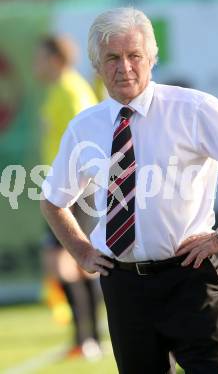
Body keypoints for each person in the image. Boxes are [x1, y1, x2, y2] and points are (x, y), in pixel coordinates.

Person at [40, 8, 218, 374]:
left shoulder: (192, 108)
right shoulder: (84, 127)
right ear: (96, 65)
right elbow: (53, 201)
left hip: (190, 277)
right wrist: (82, 251)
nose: (125, 67)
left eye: (134, 55)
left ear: (151, 58)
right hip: (122, 286)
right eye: (112, 58)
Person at [34, 36, 102, 359]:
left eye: (40, 58)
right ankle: (85, 338)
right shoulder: (56, 90)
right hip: (58, 188)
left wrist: (73, 187)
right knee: (67, 264)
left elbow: (86, 143)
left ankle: (89, 338)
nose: (35, 64)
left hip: (75, 190)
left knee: (73, 262)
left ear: (55, 59)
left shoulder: (72, 90)